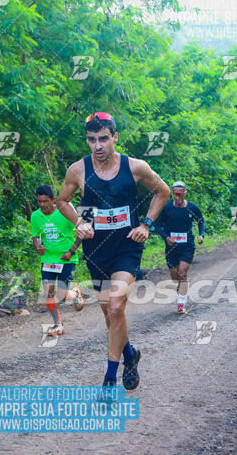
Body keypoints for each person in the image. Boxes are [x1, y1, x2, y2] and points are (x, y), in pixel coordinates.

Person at [57, 112, 170, 389]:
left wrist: (147, 224)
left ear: (115, 138)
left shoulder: (135, 167)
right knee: (111, 314)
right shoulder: (78, 171)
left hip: (127, 246)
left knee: (117, 305)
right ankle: (130, 354)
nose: (98, 145)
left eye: (104, 139)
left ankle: (110, 377)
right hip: (96, 249)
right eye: (92, 139)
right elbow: (62, 201)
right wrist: (79, 222)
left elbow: (162, 191)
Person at [30, 185, 84, 336]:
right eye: (39, 202)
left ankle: (75, 293)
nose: (42, 205)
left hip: (66, 259)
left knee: (62, 296)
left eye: (45, 201)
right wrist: (38, 247)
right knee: (48, 293)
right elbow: (35, 236)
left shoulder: (65, 212)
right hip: (48, 259)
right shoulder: (35, 216)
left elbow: (82, 230)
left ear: (53, 200)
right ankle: (57, 325)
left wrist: (71, 251)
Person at [155, 181, 205, 315]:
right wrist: (166, 237)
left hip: (187, 245)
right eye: (174, 193)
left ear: (185, 193)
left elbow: (201, 221)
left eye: (179, 193)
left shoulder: (192, 207)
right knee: (175, 276)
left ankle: (181, 304)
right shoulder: (166, 208)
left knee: (182, 273)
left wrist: (201, 235)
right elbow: (157, 226)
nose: (176, 196)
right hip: (171, 246)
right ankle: (180, 286)